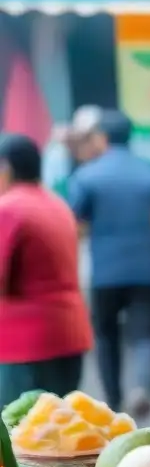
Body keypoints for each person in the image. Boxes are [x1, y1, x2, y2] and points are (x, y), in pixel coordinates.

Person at [68, 108, 150, 419]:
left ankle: (114, 401)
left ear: (101, 137)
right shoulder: (148, 172)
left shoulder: (86, 176)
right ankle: (142, 387)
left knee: (106, 336)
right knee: (147, 335)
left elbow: (73, 223)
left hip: (104, 272)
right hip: (145, 268)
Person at [0, 134, 92, 406]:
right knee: (56, 436)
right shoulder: (57, 204)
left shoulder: (9, 208)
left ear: (6, 168)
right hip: (69, 336)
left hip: (26, 345)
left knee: (19, 439)